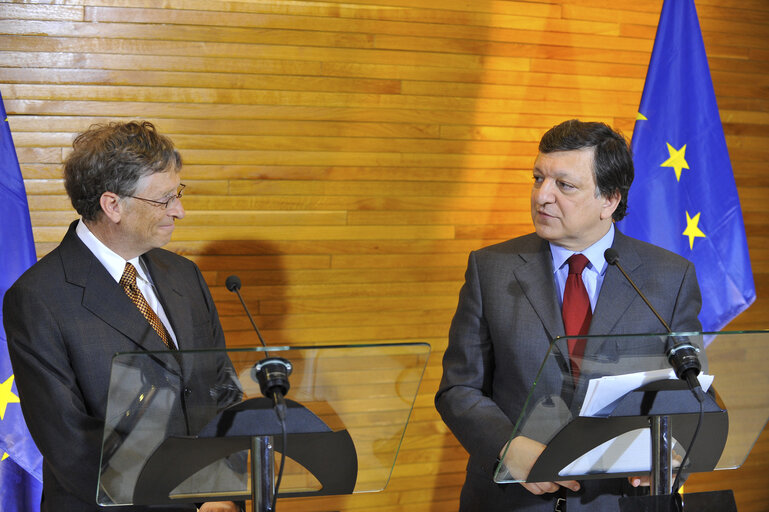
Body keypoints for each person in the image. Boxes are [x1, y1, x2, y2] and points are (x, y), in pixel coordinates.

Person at [435, 119, 702, 511]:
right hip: (511, 498)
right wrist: (508, 448)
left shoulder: (670, 277)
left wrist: (670, 453)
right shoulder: (490, 268)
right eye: (538, 178)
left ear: (609, 200)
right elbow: (458, 389)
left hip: (619, 501)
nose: (542, 196)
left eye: (565, 185)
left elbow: (689, 390)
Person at [3, 121, 242, 512]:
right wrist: (182, 504)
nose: (179, 210)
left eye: (177, 193)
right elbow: (70, 442)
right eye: (163, 200)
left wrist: (223, 493)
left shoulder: (184, 275)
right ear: (112, 205)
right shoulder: (37, 298)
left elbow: (223, 392)